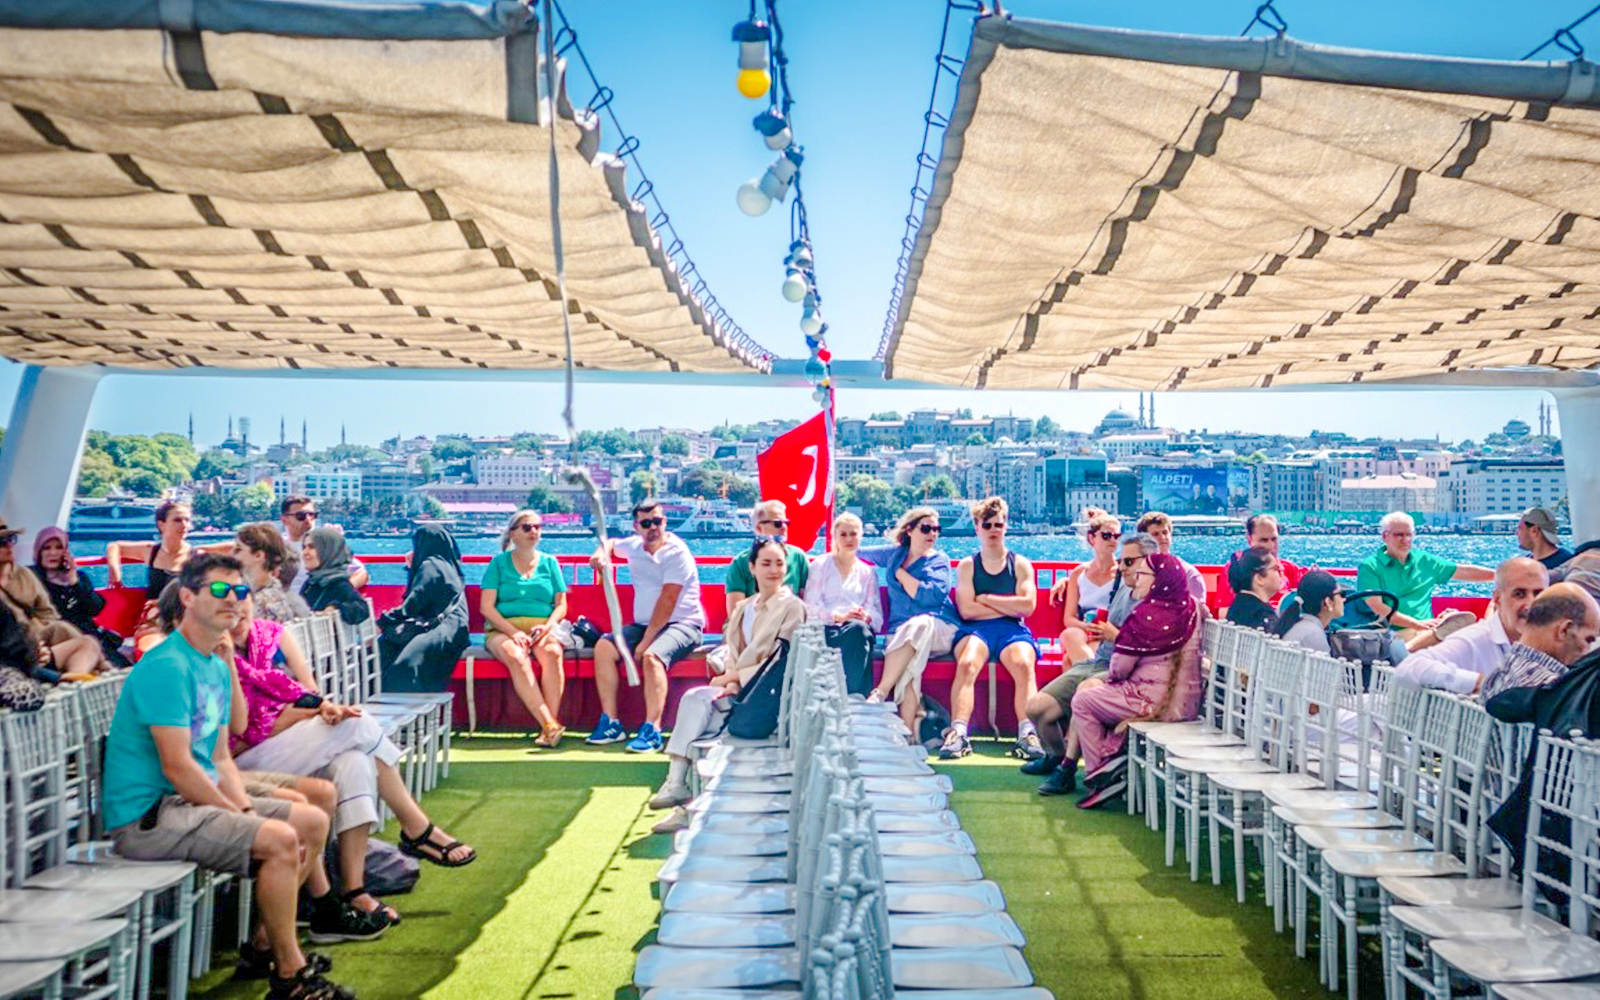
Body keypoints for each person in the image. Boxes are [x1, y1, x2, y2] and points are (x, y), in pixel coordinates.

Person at [101, 553, 358, 1000]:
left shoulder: (215, 666)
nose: (234, 601)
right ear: (187, 596)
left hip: (189, 800)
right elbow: (178, 767)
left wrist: (241, 809)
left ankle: (265, 945)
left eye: (241, 591)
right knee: (278, 839)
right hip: (148, 817)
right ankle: (290, 975)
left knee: (313, 820)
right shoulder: (167, 666)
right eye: (219, 590)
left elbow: (220, 757)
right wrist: (243, 818)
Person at [227, 591, 476, 927]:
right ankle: (416, 827)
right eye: (224, 596)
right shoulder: (216, 656)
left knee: (355, 761)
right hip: (244, 767)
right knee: (356, 725)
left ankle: (353, 889)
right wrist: (301, 714)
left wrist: (316, 709)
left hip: (292, 743)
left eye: (242, 594)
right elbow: (239, 737)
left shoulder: (273, 635)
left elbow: (311, 695)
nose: (235, 605)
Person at [647, 539, 805, 834]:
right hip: (736, 687)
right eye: (766, 563)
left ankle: (686, 807)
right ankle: (676, 783)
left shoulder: (792, 607)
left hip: (766, 695)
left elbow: (780, 661)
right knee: (694, 699)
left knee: (707, 724)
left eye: (779, 564)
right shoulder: (744, 607)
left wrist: (733, 679)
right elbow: (733, 652)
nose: (773, 570)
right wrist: (731, 677)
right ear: (752, 567)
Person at [1066, 553, 1204, 809]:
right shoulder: (1194, 607)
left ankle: (1100, 775)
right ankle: (1113, 764)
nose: (1135, 579)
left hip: (1151, 703)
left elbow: (1119, 668)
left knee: (1085, 700)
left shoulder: (1146, 615)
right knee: (1101, 699)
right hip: (1187, 705)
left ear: (1159, 580)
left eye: (1142, 575)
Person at [1029, 532, 1158, 795]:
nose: (1121, 567)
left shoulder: (1159, 598)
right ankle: (1056, 755)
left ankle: (1066, 768)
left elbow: (1155, 650)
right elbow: (1093, 579)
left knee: (1085, 692)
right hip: (1098, 661)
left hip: (1125, 671)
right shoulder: (1123, 583)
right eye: (1122, 561)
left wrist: (1116, 636)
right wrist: (1069, 580)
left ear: (1149, 562)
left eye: (1128, 562)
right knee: (1036, 709)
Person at [586, 501, 705, 753]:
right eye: (646, 523)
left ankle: (653, 729)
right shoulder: (635, 546)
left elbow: (668, 601)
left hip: (683, 624)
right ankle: (611, 723)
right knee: (604, 648)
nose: (653, 528)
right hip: (644, 624)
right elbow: (612, 542)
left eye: (658, 521)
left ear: (665, 522)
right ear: (636, 527)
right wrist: (601, 552)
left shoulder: (677, 553)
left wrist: (645, 641)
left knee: (652, 657)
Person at [948, 497, 1040, 761]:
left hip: (1012, 631)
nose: (993, 530)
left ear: (1006, 526)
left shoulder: (1019, 564)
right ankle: (958, 732)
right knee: (966, 664)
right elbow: (967, 611)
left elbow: (1027, 606)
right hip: (976, 630)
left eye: (998, 524)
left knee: (1023, 664)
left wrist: (986, 599)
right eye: (987, 525)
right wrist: (1009, 605)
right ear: (977, 527)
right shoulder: (968, 566)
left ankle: (1027, 732)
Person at [860, 507, 960, 736]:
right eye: (926, 528)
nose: (932, 534)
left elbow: (930, 597)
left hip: (939, 628)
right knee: (912, 664)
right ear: (910, 531)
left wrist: (902, 575)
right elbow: (856, 552)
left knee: (919, 625)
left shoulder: (939, 561)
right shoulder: (895, 555)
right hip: (903, 635)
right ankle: (908, 736)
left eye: (937, 529)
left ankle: (881, 692)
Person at [1397, 557, 1548, 696]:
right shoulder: (1475, 640)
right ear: (1497, 598)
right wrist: (1479, 683)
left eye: (1538, 594)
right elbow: (1409, 668)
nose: (1530, 603)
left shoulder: (1554, 641)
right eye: (1519, 594)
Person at [479, 511, 567, 747]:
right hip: (503, 630)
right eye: (527, 527)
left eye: (538, 527)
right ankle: (550, 724)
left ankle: (548, 726)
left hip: (541, 628)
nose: (534, 532)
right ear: (513, 534)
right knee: (517, 657)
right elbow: (487, 608)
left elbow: (561, 605)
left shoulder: (550, 563)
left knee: (553, 654)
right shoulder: (498, 563)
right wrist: (513, 632)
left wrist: (548, 627)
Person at [105, 501, 230, 654]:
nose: (184, 525)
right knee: (150, 652)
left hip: (186, 618)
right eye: (178, 520)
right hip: (155, 618)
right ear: (162, 524)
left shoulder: (195, 555)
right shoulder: (151, 551)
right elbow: (115, 546)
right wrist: (114, 569)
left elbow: (236, 548)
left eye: (187, 520)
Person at [1355, 511, 1492, 650]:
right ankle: (1410, 649)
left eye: (1409, 534)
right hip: (1392, 633)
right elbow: (1377, 608)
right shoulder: (1370, 567)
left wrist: (1502, 576)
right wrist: (1417, 624)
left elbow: (1463, 571)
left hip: (1425, 630)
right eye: (1399, 535)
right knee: (1457, 627)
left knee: (1466, 622)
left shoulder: (1423, 561)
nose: (1405, 540)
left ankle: (1414, 647)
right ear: (1385, 536)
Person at [0, 519, 106, 676]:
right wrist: (33, 643)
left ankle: (86, 678)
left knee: (86, 641)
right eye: (2, 542)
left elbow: (92, 608)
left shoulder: (23, 575)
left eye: (11, 540)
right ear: (39, 552)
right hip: (15, 648)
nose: (9, 546)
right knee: (67, 631)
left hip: (44, 636)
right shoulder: (36, 574)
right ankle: (102, 671)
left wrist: (73, 581)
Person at [378, 524, 470, 695]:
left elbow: (413, 603)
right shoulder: (447, 564)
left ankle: (404, 711)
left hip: (445, 629)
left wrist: (383, 622)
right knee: (389, 649)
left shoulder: (430, 565)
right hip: (456, 628)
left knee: (404, 667)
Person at [802, 513, 881, 695]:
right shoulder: (821, 565)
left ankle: (849, 694)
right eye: (843, 535)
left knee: (858, 630)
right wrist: (839, 617)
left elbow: (876, 614)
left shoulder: (867, 573)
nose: (848, 539)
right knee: (856, 634)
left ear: (860, 536)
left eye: (853, 534)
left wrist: (865, 615)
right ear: (835, 537)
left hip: (855, 629)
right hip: (826, 629)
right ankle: (852, 694)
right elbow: (811, 607)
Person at [1480, 584, 1600, 703]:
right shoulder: (1552, 692)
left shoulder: (1498, 674)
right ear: (1564, 630)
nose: (1587, 652)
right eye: (1588, 640)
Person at [29, 526, 128, 668]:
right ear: (39, 551)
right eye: (46, 548)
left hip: (88, 633)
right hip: (59, 636)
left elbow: (95, 608)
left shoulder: (78, 578)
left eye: (58, 548)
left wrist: (74, 581)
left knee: (122, 666)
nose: (52, 553)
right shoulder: (32, 577)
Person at [1047, 509, 1122, 666]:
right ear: (1092, 538)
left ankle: (1086, 679)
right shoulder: (1079, 574)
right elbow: (1069, 618)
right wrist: (1086, 626)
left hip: (1107, 633)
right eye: (1106, 536)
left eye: (1116, 536)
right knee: (1069, 634)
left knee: (1068, 661)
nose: (1112, 540)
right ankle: (1090, 675)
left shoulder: (1124, 573)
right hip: (1083, 630)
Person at [724, 499, 810, 617]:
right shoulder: (740, 563)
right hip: (755, 625)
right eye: (778, 523)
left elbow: (807, 601)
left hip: (791, 623)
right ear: (759, 528)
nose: (784, 527)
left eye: (786, 523)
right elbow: (735, 613)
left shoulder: (798, 557)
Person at [279, 496, 368, 594]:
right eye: (301, 516)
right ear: (284, 520)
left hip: (317, 605)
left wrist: (338, 590)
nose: (308, 519)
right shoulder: (276, 547)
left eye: (312, 515)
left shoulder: (324, 545)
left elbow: (361, 573)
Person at [1213, 514, 1305, 608]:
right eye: (1263, 540)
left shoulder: (1290, 569)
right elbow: (1224, 612)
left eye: (1274, 539)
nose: (1270, 546)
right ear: (1250, 540)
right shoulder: (1236, 569)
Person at [234, 524, 311, 623]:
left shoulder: (261, 603)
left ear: (258, 555)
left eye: (238, 549)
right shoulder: (278, 595)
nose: (232, 553)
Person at [299, 528, 370, 625]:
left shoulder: (337, 583)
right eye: (304, 547)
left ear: (328, 550)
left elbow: (361, 609)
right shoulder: (312, 582)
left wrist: (336, 608)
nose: (305, 552)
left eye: (312, 547)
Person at [1136, 511, 1207, 602]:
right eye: (1155, 534)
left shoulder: (1188, 574)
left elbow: (1198, 610)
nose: (1162, 537)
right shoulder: (1133, 572)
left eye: (1165, 532)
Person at [1271, 570, 1346, 653]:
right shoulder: (1313, 635)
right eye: (1341, 594)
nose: (1344, 599)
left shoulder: (1297, 625)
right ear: (1328, 602)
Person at [1225, 546, 1285, 632]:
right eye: (1275, 569)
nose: (1281, 573)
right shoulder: (1262, 615)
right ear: (1259, 578)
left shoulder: (1238, 606)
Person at [1517, 507, 1573, 571]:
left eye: (1520, 529)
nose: (1516, 533)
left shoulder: (1565, 565)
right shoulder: (1569, 561)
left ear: (1534, 531)